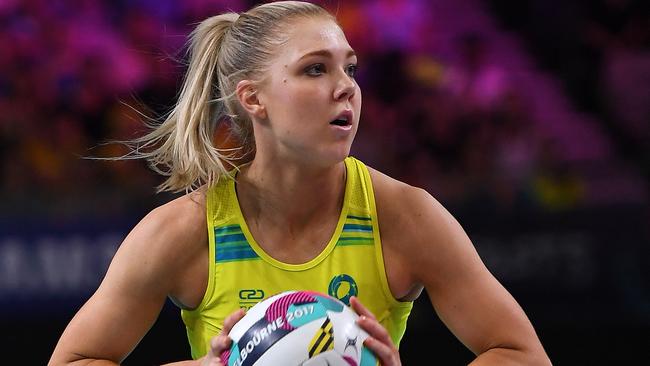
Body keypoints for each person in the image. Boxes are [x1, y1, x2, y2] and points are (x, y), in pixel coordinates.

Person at [49, 2, 551, 365]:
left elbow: (522, 354)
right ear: (253, 99)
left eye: (349, 68)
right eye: (315, 69)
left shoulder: (405, 215)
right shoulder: (184, 230)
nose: (346, 86)